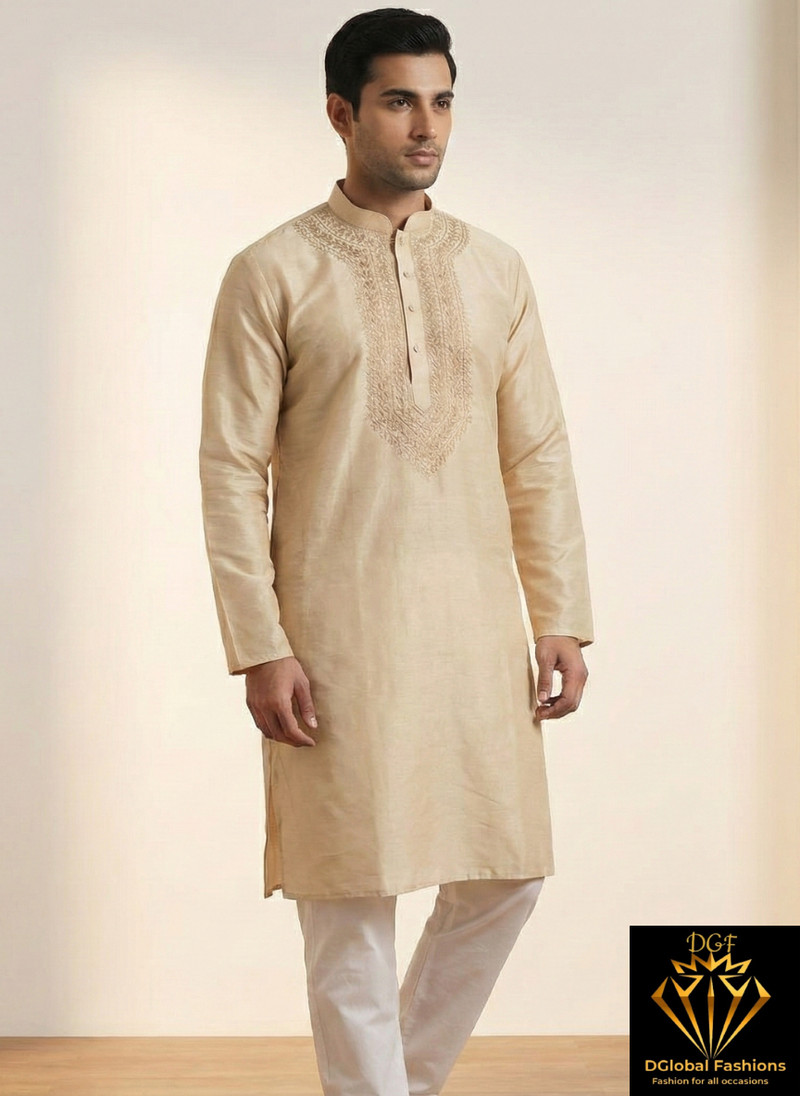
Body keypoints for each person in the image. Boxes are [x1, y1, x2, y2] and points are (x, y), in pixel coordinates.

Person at [199, 8, 594, 1095]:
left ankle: (396, 1086)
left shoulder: (495, 268)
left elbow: (538, 453)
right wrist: (258, 643)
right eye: (398, 101)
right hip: (336, 635)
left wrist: (558, 615)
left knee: (506, 872)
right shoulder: (272, 270)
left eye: (441, 101)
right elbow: (229, 468)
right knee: (349, 902)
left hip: (474, 629)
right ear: (341, 113)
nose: (426, 126)